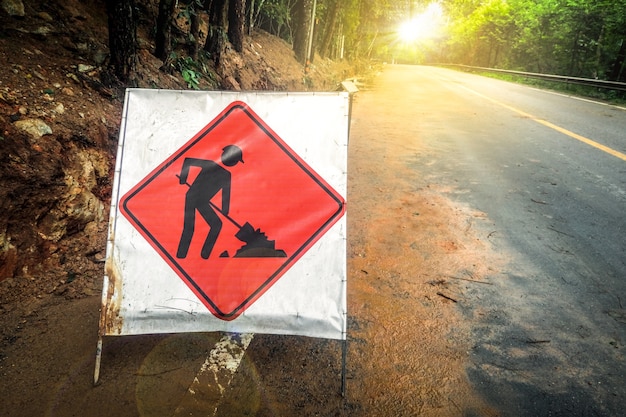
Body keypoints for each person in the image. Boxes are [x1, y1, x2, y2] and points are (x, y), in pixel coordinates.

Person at [176, 145, 244, 259]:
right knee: (190, 227)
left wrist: (225, 210)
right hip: (192, 197)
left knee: (217, 224)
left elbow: (225, 194)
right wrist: (183, 177)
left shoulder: (227, 175)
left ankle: (205, 255)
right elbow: (188, 161)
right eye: (236, 160)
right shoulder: (210, 165)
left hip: (203, 202)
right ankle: (181, 255)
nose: (235, 163)